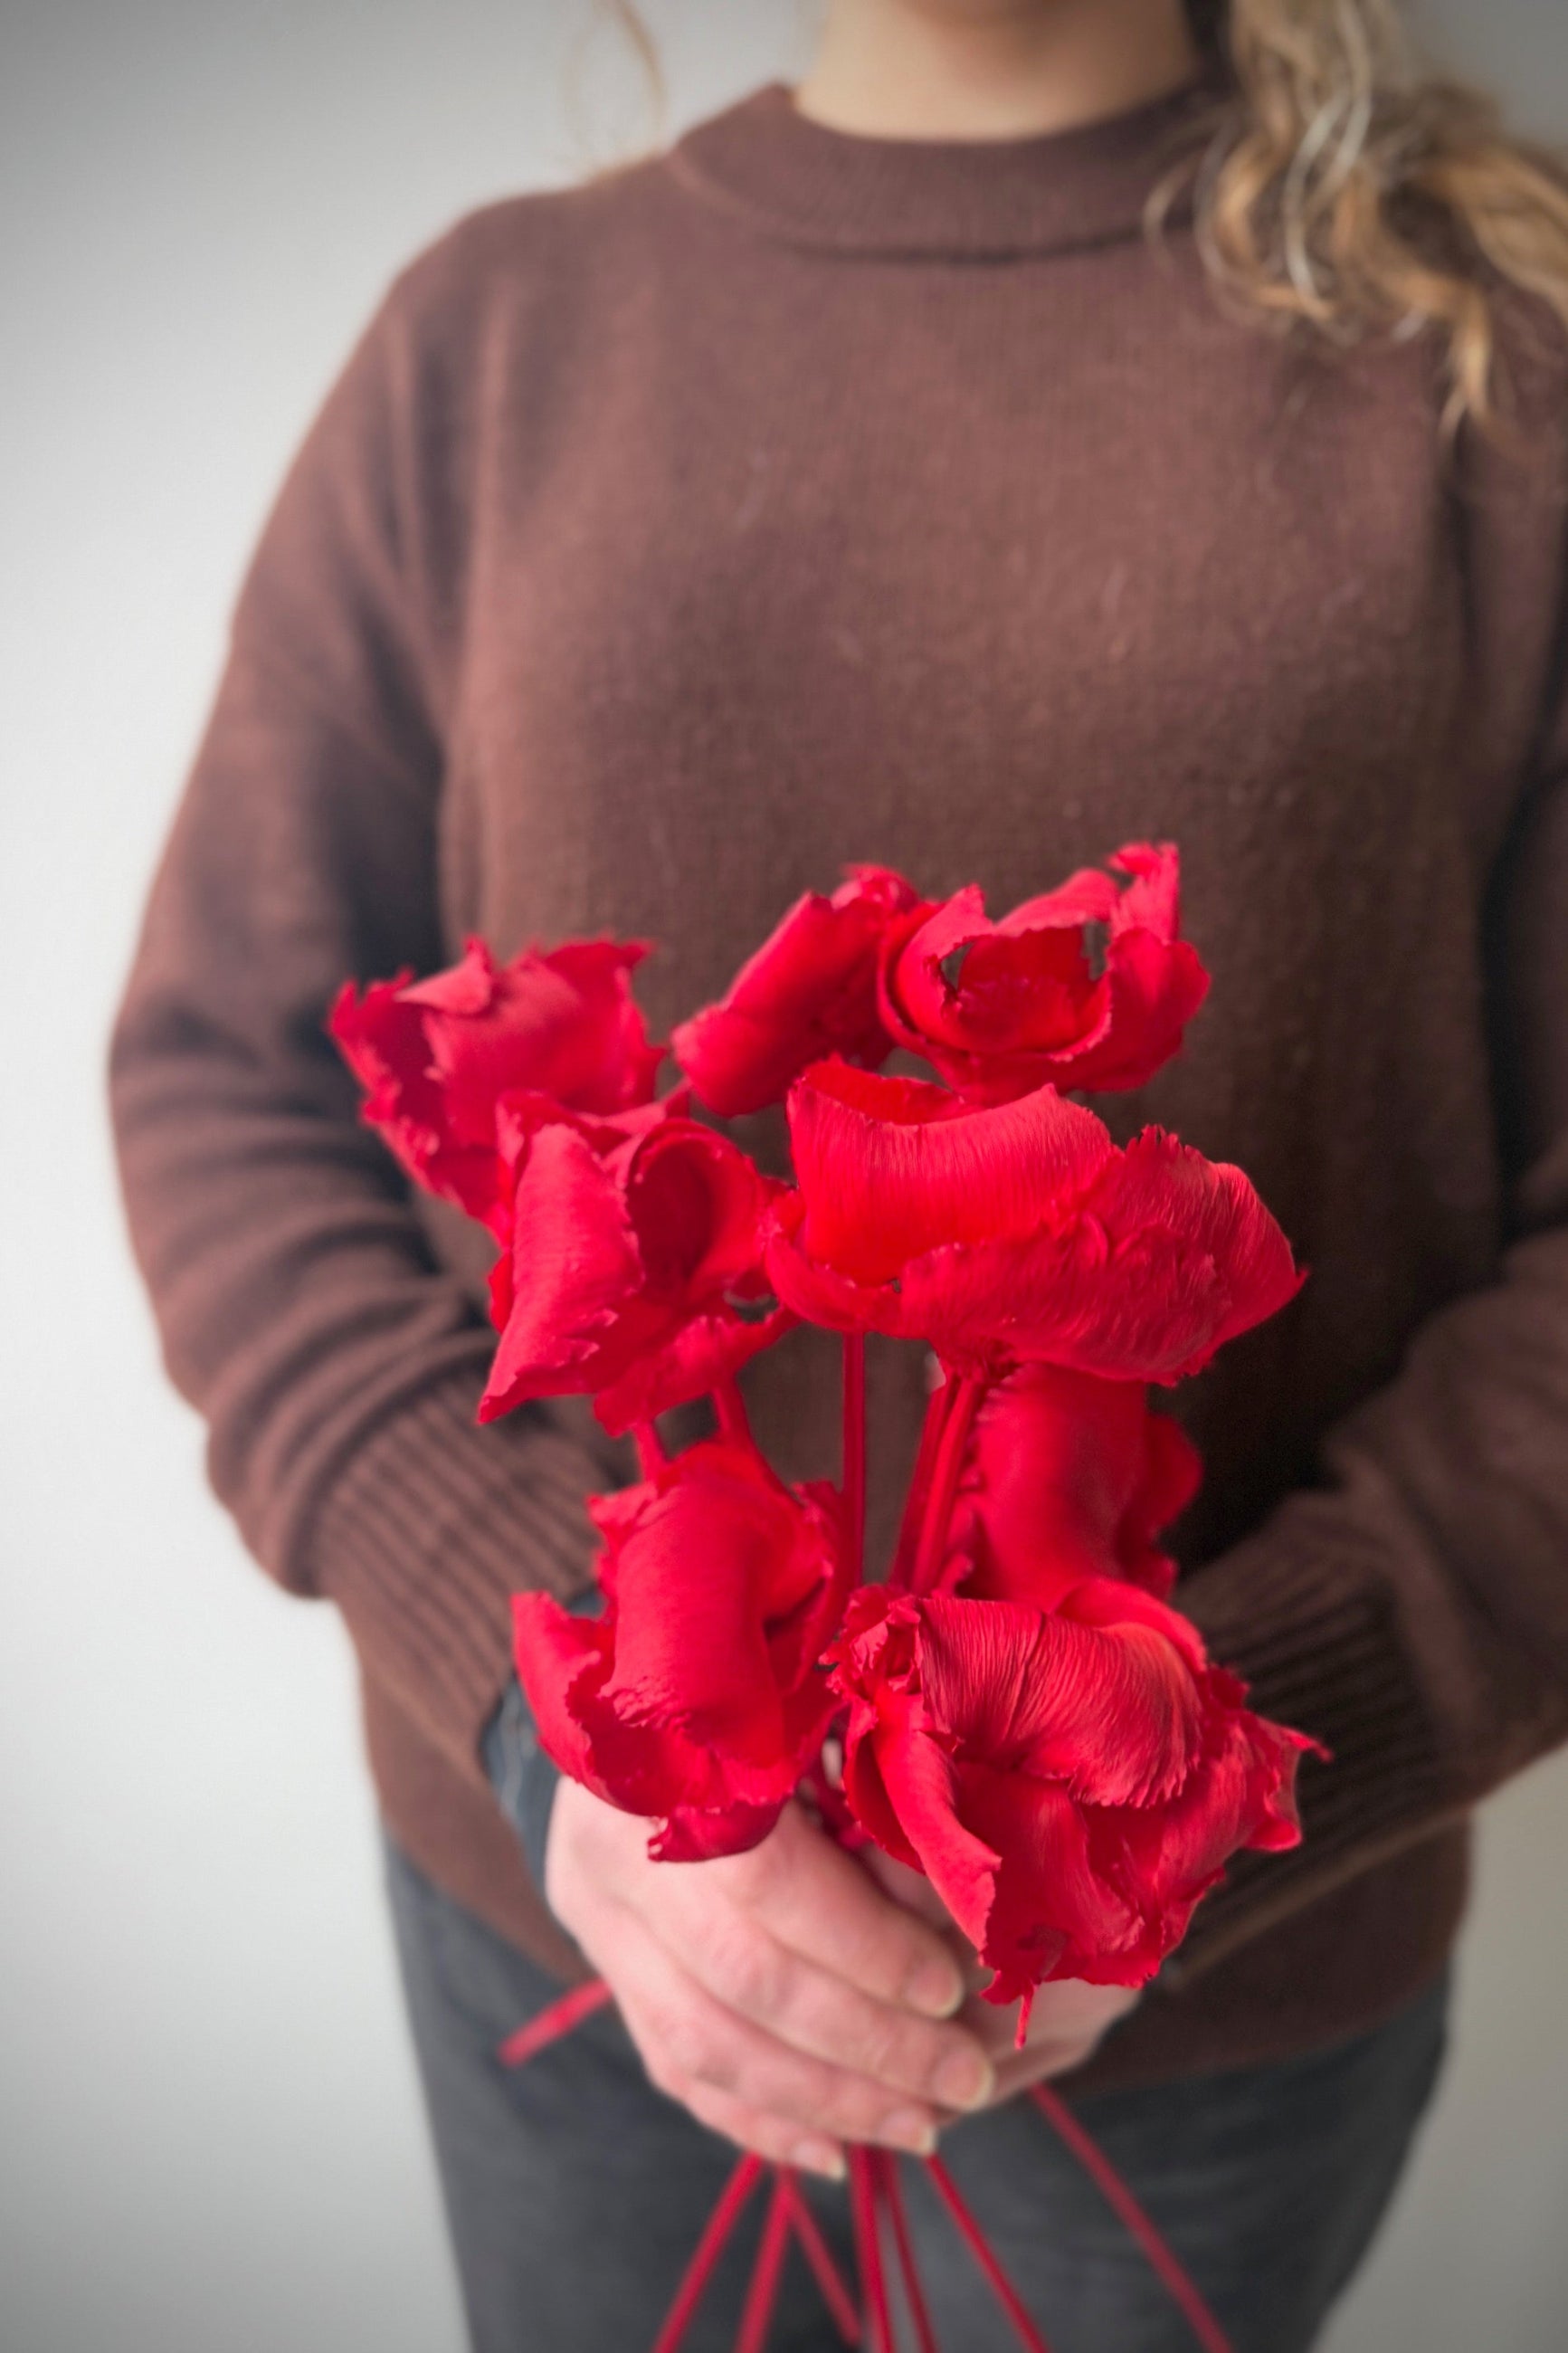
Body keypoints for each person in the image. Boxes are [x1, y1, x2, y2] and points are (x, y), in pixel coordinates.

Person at [109, 2, 1568, 2347]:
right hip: (572, 1933)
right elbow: (227, 1070)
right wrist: (551, 1715)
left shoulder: (1494, 365)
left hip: (1205, 2020)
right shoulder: (495, 342)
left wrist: (1170, 1788)